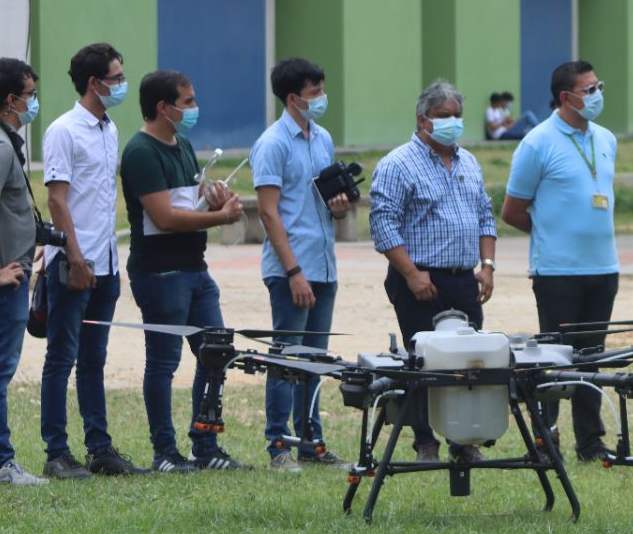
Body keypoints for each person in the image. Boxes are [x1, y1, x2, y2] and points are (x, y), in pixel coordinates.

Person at [120, 70, 246, 473]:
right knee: (163, 363)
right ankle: (165, 452)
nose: (194, 108)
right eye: (187, 102)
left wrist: (212, 200)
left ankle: (205, 445)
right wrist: (220, 218)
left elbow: (186, 205)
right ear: (163, 107)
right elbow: (164, 218)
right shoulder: (141, 151)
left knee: (215, 354)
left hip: (195, 271)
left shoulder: (184, 144)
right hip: (160, 275)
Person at [370, 79, 496, 464]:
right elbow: (383, 224)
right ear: (423, 119)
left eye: (457, 116)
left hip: (464, 278)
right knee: (423, 361)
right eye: (444, 116)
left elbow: (485, 216)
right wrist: (410, 273)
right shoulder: (397, 164)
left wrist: (487, 266)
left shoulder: (468, 161)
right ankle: (425, 441)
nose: (452, 122)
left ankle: (464, 439)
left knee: (468, 363)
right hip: (420, 279)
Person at [39, 43, 145, 479]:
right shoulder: (64, 130)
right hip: (73, 265)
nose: (121, 84)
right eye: (116, 78)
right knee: (61, 358)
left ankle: (100, 449)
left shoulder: (109, 128)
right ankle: (57, 453)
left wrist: (102, 262)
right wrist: (76, 258)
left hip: (106, 264)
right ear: (93, 83)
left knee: (94, 360)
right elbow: (57, 201)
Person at [502, 60, 617, 462]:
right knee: (553, 358)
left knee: (592, 357)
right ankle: (546, 439)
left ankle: (590, 442)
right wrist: (553, 233)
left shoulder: (606, 138)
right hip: (557, 272)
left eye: (598, 85)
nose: (597, 94)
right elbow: (513, 211)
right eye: (589, 90)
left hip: (603, 268)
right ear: (566, 97)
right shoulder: (537, 142)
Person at [250, 58, 351, 472]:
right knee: (286, 357)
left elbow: (324, 199)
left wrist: (341, 205)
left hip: (323, 265)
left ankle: (312, 442)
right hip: (292, 268)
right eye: (314, 94)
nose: (321, 99)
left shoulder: (322, 137)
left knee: (315, 358)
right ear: (292, 98)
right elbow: (269, 213)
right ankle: (278, 445)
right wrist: (293, 272)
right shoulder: (272, 143)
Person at [0, 58, 46, 486]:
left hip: (8, 268)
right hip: (2, 280)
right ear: (12, 99)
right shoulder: (0, 145)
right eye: (31, 94)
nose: (34, 102)